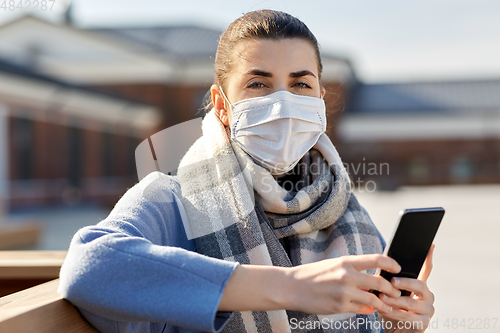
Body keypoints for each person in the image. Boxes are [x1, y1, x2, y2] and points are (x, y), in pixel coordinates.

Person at [58, 10, 435, 333]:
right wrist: (288, 286)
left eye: (300, 83)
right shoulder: (171, 199)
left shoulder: (344, 211)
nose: (283, 101)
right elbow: (89, 267)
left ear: (320, 101)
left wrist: (396, 324)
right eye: (259, 84)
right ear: (222, 105)